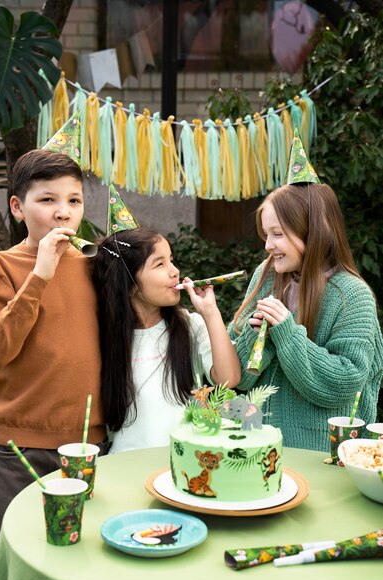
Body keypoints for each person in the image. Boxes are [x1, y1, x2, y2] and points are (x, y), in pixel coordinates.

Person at [0, 148, 106, 580]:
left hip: (88, 443)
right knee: (10, 570)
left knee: (83, 566)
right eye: (47, 200)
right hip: (19, 444)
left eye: (74, 200)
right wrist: (40, 276)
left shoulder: (94, 267)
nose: (63, 212)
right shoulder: (1, 267)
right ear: (17, 207)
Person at [229, 181, 383, 451]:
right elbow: (237, 377)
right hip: (257, 445)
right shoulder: (265, 278)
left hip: (320, 453)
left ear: (313, 233)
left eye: (277, 234)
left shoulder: (351, 295)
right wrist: (255, 336)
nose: (267, 245)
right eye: (266, 234)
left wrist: (287, 334)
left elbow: (344, 382)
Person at [90, 225, 241, 453]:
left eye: (171, 260)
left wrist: (210, 312)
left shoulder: (189, 326)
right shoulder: (104, 337)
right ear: (130, 285)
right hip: (123, 465)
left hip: (182, 462)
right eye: (160, 264)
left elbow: (229, 379)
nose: (175, 271)